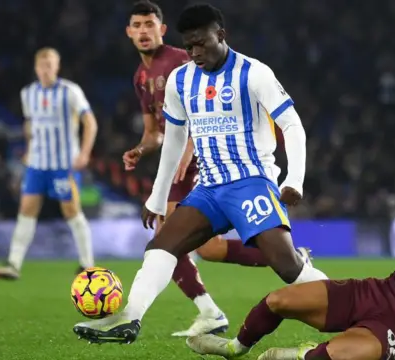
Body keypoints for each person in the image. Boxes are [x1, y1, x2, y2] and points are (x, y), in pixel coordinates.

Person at [73, 3, 328, 344]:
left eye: (201, 43)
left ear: (220, 35)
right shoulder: (181, 80)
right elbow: (175, 138)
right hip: (208, 189)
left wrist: (293, 179)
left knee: (287, 268)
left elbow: (292, 125)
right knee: (161, 245)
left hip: (251, 182)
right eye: (189, 45)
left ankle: (349, 308)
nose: (194, 52)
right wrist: (158, 196)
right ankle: (127, 318)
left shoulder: (254, 73)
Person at [187, 187, 395, 360]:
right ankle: (235, 348)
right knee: (277, 300)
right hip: (372, 292)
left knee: (336, 356)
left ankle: (300, 354)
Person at [0, 48, 98, 279]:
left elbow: (90, 122)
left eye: (51, 65)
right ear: (36, 68)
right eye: (42, 65)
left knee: (71, 210)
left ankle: (87, 264)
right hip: (37, 164)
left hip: (63, 164)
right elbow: (30, 124)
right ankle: (13, 264)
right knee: (26, 210)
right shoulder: (28, 93)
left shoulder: (70, 91)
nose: (46, 69)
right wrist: (28, 150)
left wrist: (85, 153)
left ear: (57, 67)